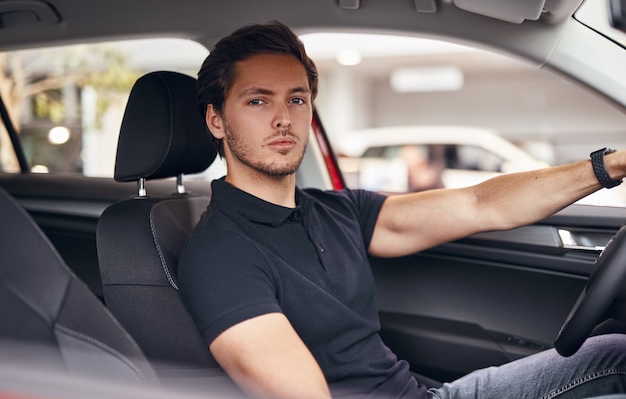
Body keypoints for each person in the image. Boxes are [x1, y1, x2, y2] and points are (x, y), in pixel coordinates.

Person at [178, 20, 626, 399]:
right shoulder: (220, 254)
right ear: (216, 119)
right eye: (258, 100)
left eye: (296, 99)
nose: (283, 118)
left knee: (615, 351)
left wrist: (610, 165)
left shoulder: (338, 210)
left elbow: (479, 204)